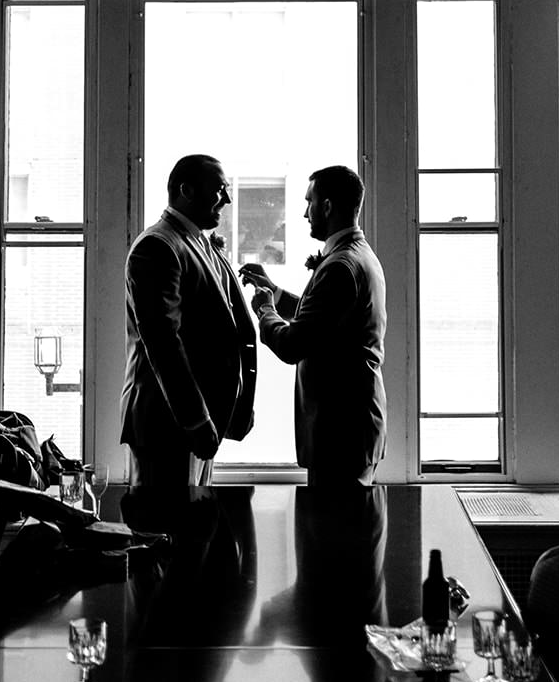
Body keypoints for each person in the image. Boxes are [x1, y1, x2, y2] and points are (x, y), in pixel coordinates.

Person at [240, 165, 386, 488]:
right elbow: (324, 322)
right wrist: (276, 292)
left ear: (328, 206)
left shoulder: (339, 267)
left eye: (310, 202)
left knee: (334, 534)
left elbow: (293, 344)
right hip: (355, 428)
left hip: (339, 434)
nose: (306, 213)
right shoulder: (359, 255)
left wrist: (265, 309)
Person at [121, 153, 257, 487]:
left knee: (193, 531)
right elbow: (162, 341)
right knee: (165, 528)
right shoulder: (157, 247)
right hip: (168, 424)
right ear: (187, 190)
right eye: (220, 189)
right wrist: (195, 421)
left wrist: (237, 407)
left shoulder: (201, 244)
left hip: (203, 423)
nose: (227, 198)